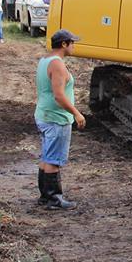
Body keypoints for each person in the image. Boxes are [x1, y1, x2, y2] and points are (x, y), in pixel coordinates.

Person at [35, 28, 86, 209]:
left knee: (47, 156)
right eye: (72, 43)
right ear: (64, 44)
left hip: (44, 114)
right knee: (54, 159)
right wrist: (76, 112)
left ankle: (44, 197)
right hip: (56, 117)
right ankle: (54, 199)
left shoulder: (44, 60)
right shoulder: (57, 64)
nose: (74, 46)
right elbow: (59, 95)